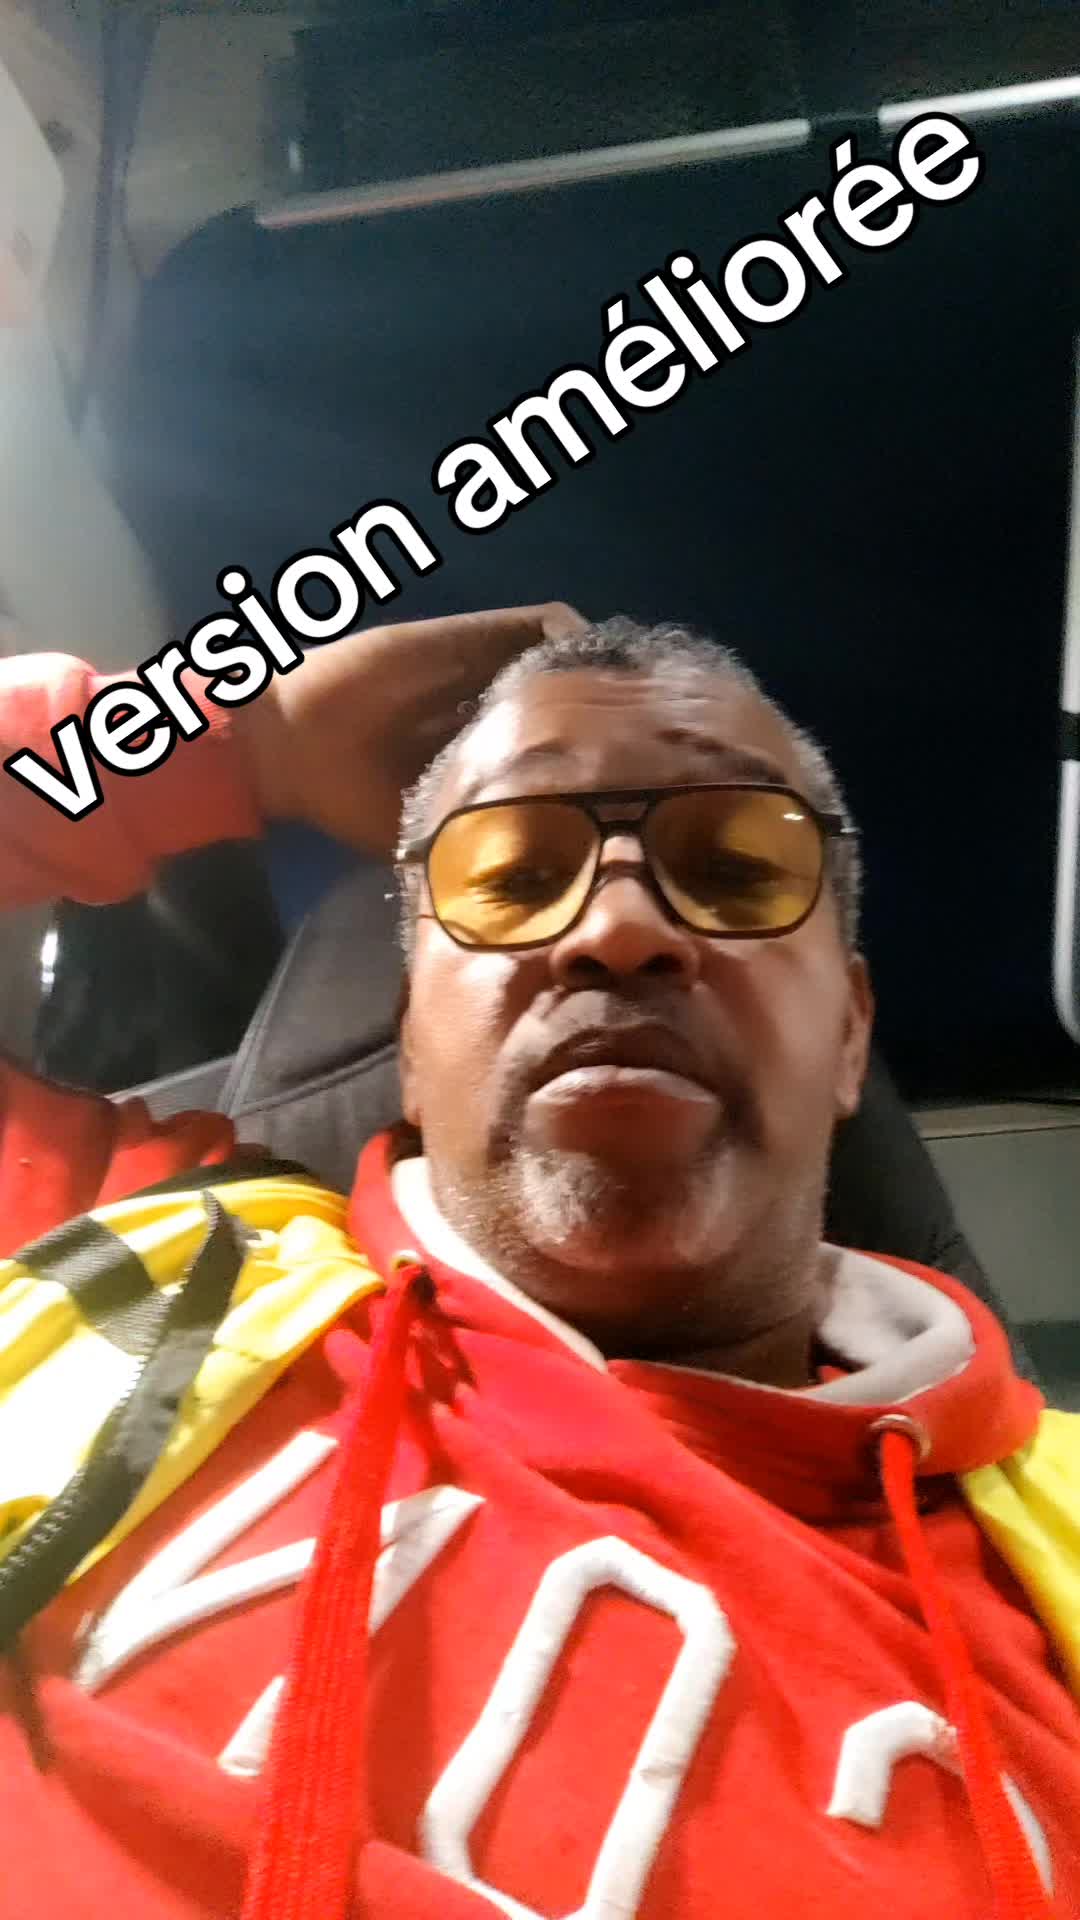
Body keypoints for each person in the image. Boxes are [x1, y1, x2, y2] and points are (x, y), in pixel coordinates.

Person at [0, 609, 1077, 1920]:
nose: (617, 927)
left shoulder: (1060, 1532)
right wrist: (240, 741)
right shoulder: (124, 1252)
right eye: (512, 878)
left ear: (850, 1035)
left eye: (735, 871)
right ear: (410, 1034)